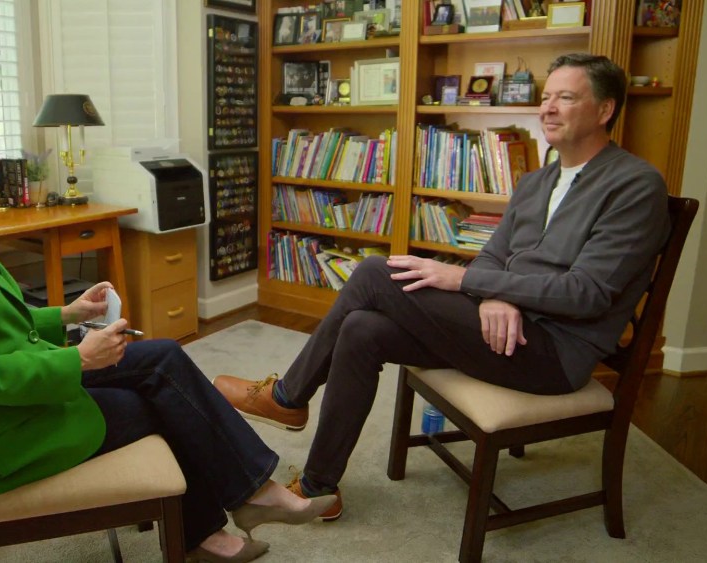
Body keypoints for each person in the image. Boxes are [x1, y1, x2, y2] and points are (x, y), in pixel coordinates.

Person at [0, 76, 334, 563]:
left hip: (17, 397)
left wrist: (68, 314)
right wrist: (79, 360)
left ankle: (244, 502)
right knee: (159, 403)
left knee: (162, 358)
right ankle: (220, 523)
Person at [215, 53, 671, 520]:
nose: (548, 108)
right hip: (501, 331)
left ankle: (288, 398)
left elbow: (587, 293)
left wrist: (468, 280)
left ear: (605, 109)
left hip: (553, 351)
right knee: (362, 328)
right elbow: (494, 255)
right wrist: (493, 294)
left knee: (373, 273)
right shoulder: (537, 181)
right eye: (546, 96)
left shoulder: (635, 186)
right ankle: (318, 489)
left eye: (566, 98)